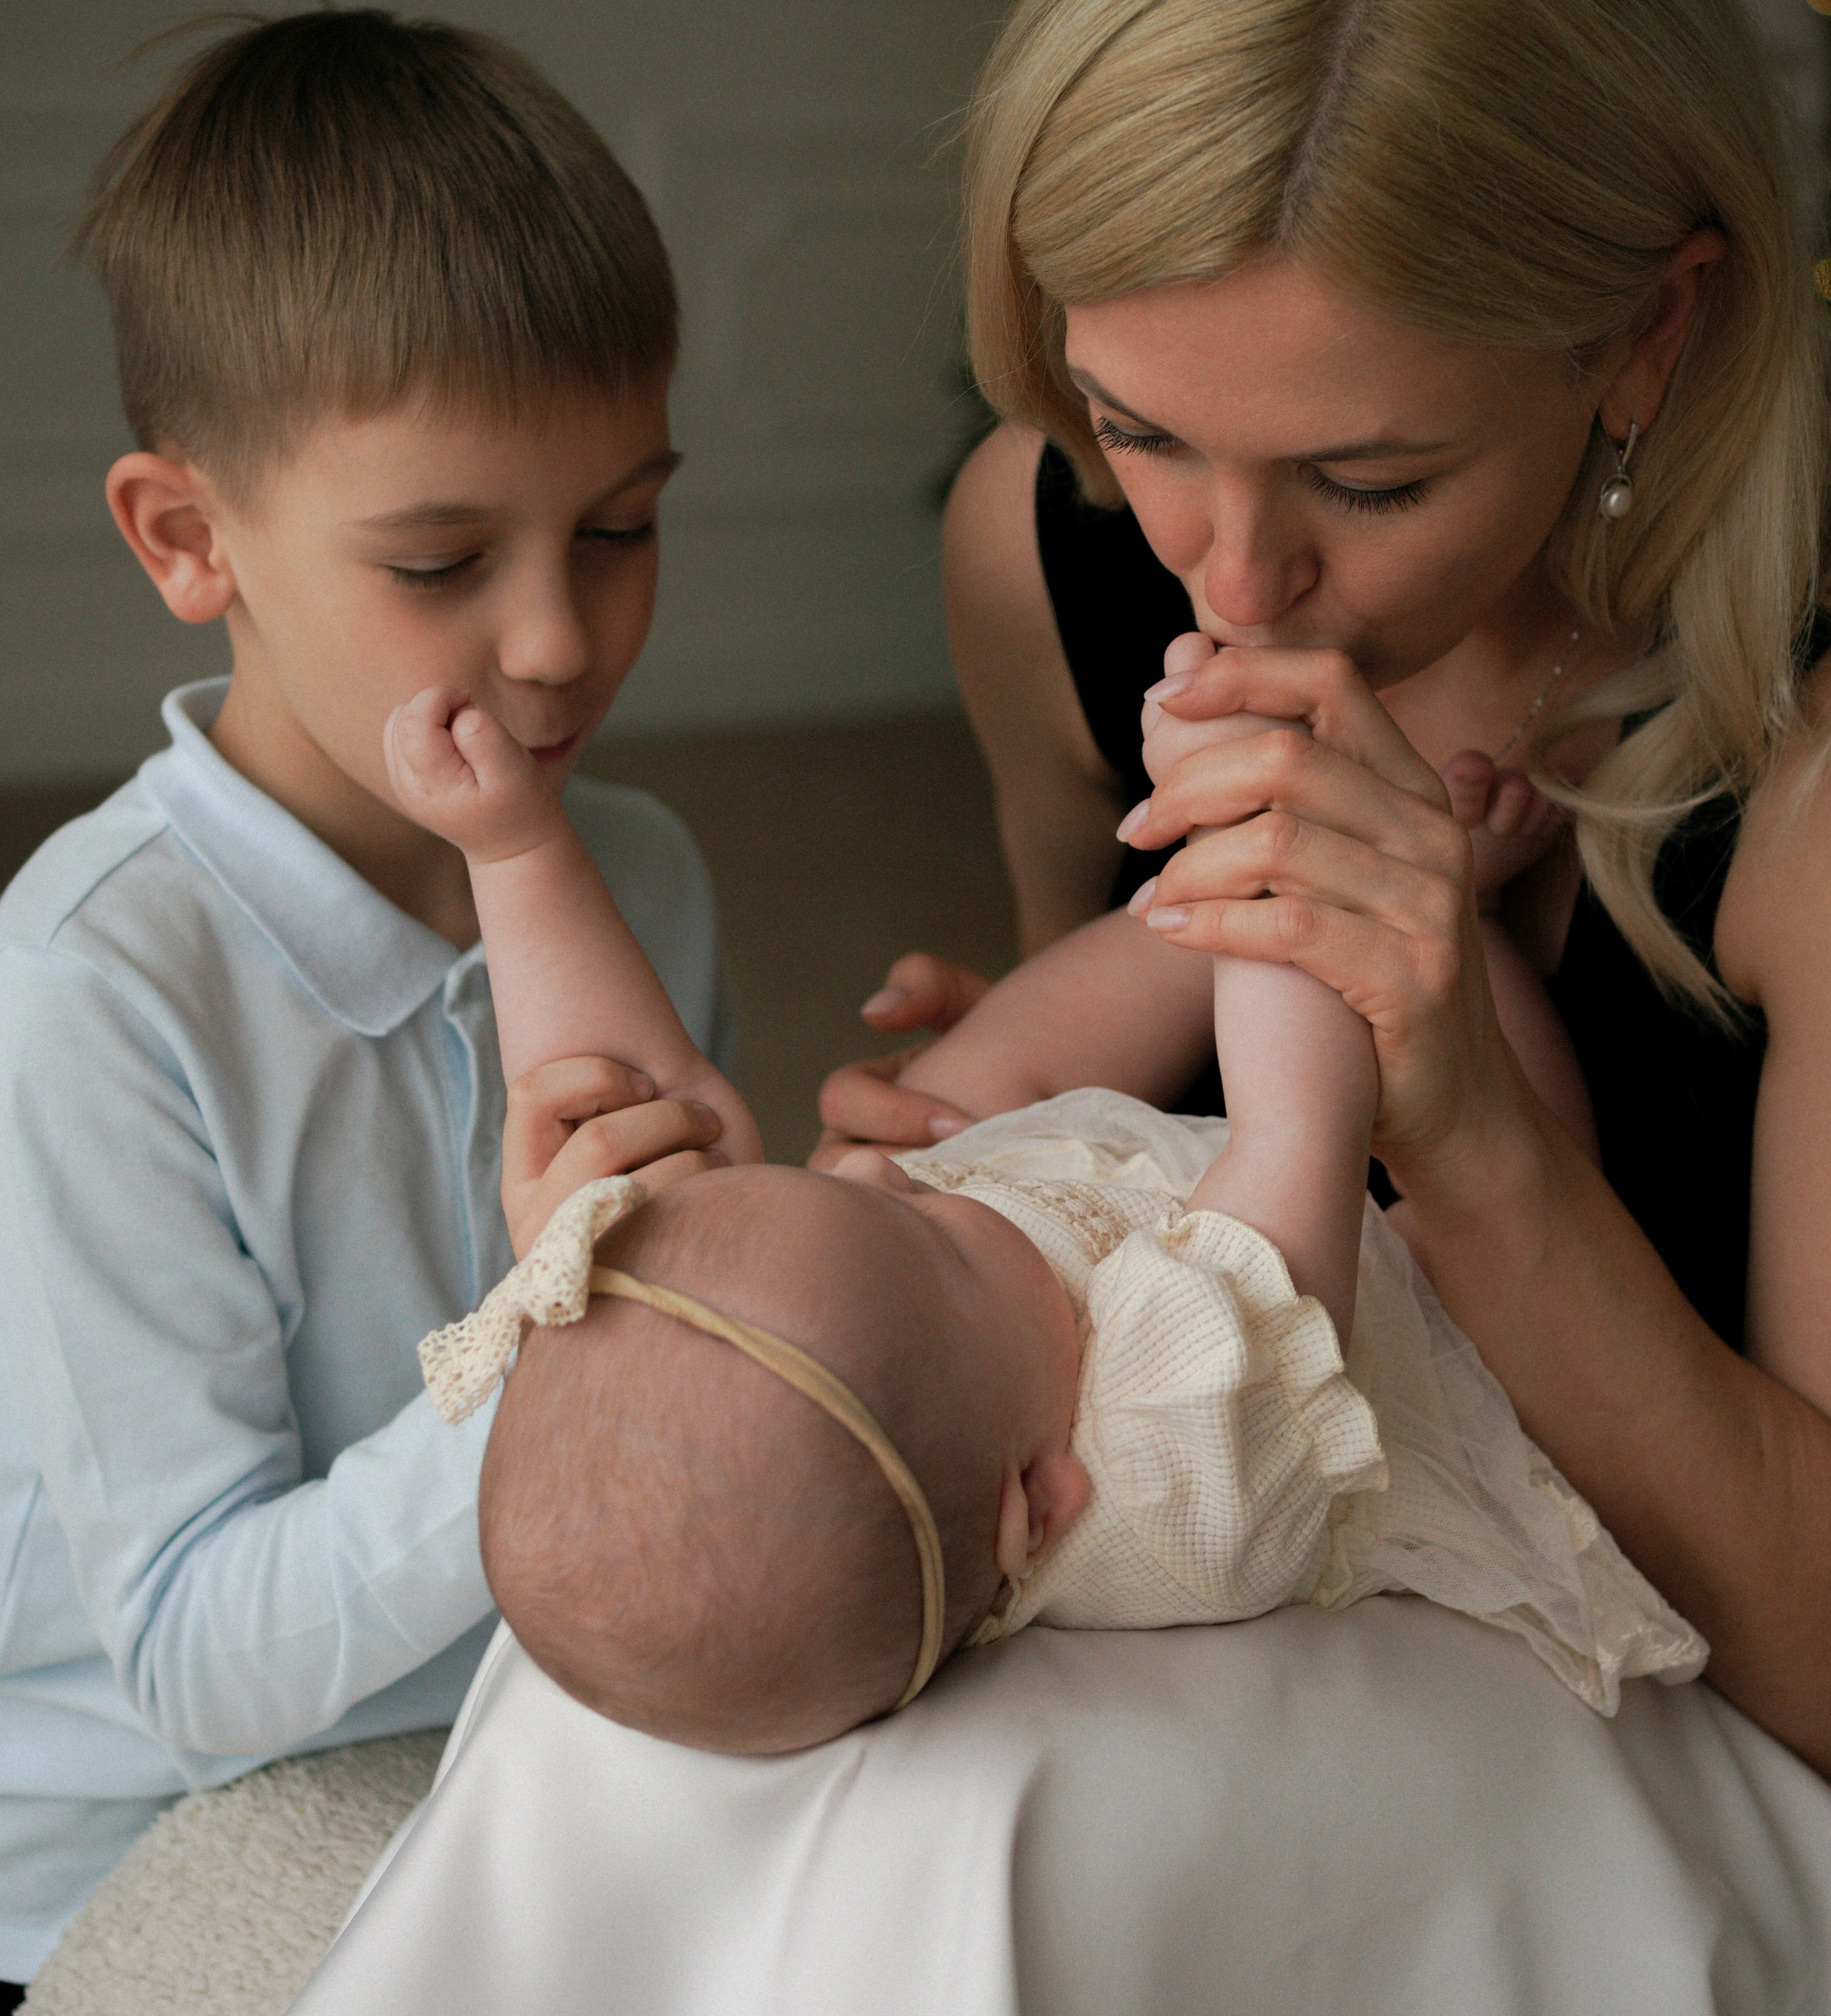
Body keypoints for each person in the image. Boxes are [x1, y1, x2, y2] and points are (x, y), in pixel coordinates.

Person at [165, 0, 1831, 2016]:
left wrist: (1469, 1130)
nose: (1229, 567)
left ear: (1647, 337)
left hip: (1628, 1652)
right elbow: (1118, 1028)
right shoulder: (1046, 550)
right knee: (716, 1633)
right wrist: (958, 1160)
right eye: (1144, 426)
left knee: (976, 1817)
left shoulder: (1804, 782)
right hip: (1215, 1519)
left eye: (1369, 478)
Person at [0, 11, 738, 2016]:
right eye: (439, 561)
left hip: (532, 1742)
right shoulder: (95, 987)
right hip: (148, 1848)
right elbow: (194, 1667)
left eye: (622, 526)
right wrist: (548, 1339)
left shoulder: (642, 877)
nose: (559, 641)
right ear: (188, 539)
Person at [371, 675, 1694, 1754]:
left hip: (1133, 1208)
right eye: (929, 1240)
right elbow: (1303, 1122)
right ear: (1038, 1508)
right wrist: (1241, 820)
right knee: (1466, 1131)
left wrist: (515, 845)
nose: (872, 1176)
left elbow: (628, 1109)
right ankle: (1459, 906)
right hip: (1414, 1310)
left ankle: (1251, 908)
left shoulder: (901, 1353)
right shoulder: (1177, 1465)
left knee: (945, 1106)